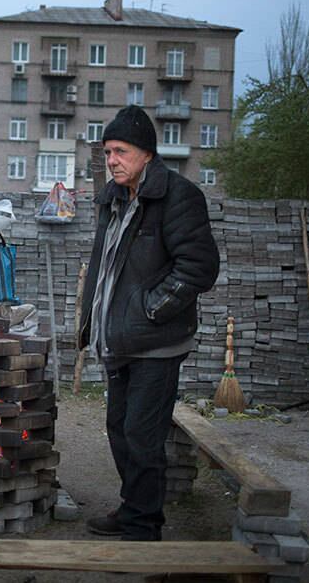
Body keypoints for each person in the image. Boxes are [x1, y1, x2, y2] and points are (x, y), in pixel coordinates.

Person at [78, 105, 220, 541]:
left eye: (120, 151)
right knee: (120, 431)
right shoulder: (114, 199)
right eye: (107, 153)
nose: (112, 161)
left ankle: (144, 531)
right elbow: (105, 270)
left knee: (142, 436)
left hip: (156, 345)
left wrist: (148, 312)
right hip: (118, 342)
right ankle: (134, 507)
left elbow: (199, 269)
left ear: (146, 154)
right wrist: (91, 324)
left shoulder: (178, 196)